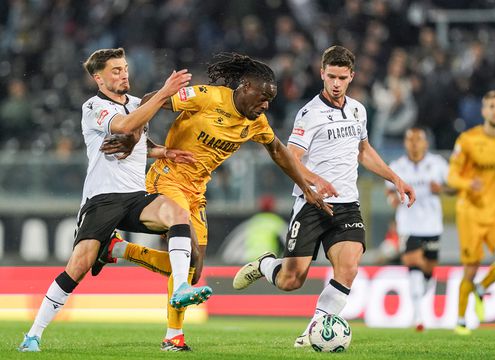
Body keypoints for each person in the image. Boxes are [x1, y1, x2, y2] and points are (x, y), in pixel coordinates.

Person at [97, 52, 331, 351]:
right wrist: (135, 136)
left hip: (197, 190)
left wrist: (305, 185)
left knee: (192, 271)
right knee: (187, 252)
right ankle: (173, 336)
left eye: (269, 100)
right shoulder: (207, 97)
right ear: (245, 87)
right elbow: (149, 99)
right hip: (169, 178)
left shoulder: (256, 122)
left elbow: (277, 149)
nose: (266, 105)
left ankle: (118, 249)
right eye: (262, 97)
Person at [17, 48, 212, 352]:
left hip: (135, 197)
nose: (124, 75)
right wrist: (163, 94)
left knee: (177, 214)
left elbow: (137, 139)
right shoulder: (94, 107)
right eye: (116, 71)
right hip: (102, 199)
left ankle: (181, 288)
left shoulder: (135, 104)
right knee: (78, 267)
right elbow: (124, 127)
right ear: (99, 78)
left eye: (125, 69)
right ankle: (33, 334)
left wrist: (163, 152)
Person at [232, 45, 415, 347]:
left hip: (347, 206)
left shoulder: (358, 110)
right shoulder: (308, 114)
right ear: (322, 73)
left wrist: (396, 178)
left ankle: (314, 331)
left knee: (349, 267)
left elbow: (363, 152)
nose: (336, 83)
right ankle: (266, 265)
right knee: (292, 280)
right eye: (331, 76)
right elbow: (291, 157)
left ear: (351, 76)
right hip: (311, 203)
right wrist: (316, 183)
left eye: (342, 77)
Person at [448, 90, 495, 335]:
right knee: (471, 267)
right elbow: (451, 176)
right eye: (491, 106)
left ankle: (481, 289)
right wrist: (467, 184)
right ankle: (461, 319)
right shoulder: (467, 140)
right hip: (470, 212)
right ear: (483, 111)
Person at [385, 127, 450, 331]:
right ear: (405, 143)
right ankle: (418, 316)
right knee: (413, 264)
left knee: (428, 270)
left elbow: (454, 187)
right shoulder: (396, 166)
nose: (414, 143)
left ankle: (423, 293)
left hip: (432, 225)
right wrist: (393, 200)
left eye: (418, 139)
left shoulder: (438, 164)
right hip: (408, 225)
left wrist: (442, 190)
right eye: (410, 139)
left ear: (426, 143)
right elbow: (389, 192)